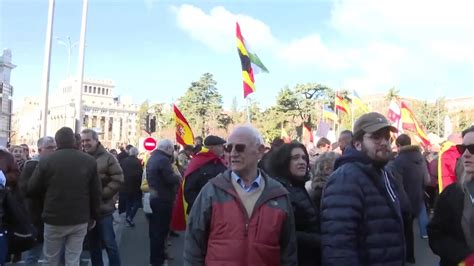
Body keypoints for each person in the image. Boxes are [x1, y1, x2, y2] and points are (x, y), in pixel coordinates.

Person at [184, 125, 297, 265]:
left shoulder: (278, 195)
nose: (233, 153)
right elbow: (193, 246)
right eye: (228, 148)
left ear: (260, 151)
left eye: (240, 148)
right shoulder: (211, 191)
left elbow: (288, 253)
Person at [320, 112, 405, 265]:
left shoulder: (383, 172)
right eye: (376, 137)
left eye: (387, 137)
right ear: (358, 143)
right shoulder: (345, 178)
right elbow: (339, 246)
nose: (384, 142)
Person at [27, 127, 101, 266]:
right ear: (73, 141)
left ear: (58, 142)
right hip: (79, 217)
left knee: (51, 259)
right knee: (73, 259)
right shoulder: (89, 161)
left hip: (54, 217)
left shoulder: (47, 161)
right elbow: (96, 192)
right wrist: (94, 216)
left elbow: (31, 188)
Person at [428, 125, 474, 266]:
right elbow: (436, 234)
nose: (465, 154)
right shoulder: (451, 194)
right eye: (462, 148)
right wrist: (464, 258)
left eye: (472, 149)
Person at [269, 142, 321, 265]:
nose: (302, 162)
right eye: (295, 158)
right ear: (284, 162)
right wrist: (319, 240)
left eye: (304, 158)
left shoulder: (299, 186)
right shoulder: (280, 190)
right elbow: (284, 232)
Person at [81, 128, 124, 266]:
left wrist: (103, 195)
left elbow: (118, 179)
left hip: (103, 209)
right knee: (93, 246)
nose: (85, 143)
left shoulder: (108, 158)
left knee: (110, 244)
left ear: (96, 140)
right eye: (82, 141)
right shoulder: (81, 157)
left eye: (88, 140)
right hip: (87, 211)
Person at [387, 134, 430, 263]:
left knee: (402, 232)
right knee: (409, 231)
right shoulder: (420, 158)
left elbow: (398, 185)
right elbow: (427, 180)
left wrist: (404, 204)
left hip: (404, 202)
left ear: (399, 146)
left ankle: (404, 257)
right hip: (418, 199)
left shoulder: (399, 161)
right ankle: (410, 256)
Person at [19, 136, 57, 265]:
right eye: (50, 148)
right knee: (35, 252)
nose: (54, 150)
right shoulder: (32, 165)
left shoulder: (55, 164)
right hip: (36, 214)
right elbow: (24, 189)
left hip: (51, 214)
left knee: (51, 254)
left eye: (55, 147)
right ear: (40, 150)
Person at [146, 139, 181, 266]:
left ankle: (156, 259)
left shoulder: (153, 158)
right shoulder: (163, 160)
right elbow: (169, 178)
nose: (172, 152)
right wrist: (178, 178)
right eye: (172, 150)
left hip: (155, 197)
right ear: (167, 149)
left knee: (155, 231)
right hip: (163, 199)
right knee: (160, 232)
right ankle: (158, 260)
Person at [183, 135, 227, 214]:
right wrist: (201, 206)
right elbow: (189, 189)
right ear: (212, 148)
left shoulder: (221, 162)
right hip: (200, 210)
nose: (223, 149)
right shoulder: (198, 162)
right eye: (220, 146)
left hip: (220, 210)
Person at [119, 147, 143, 227]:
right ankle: (130, 216)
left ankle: (128, 218)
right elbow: (140, 175)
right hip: (135, 186)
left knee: (128, 202)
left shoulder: (124, 161)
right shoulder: (137, 162)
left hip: (125, 185)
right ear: (136, 153)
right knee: (137, 202)